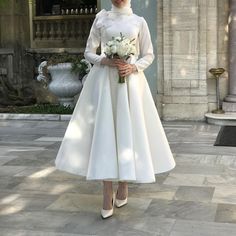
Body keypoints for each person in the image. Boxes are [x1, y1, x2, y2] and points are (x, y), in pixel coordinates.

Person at [55, 0, 176, 219]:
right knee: (105, 132)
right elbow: (88, 52)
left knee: (126, 130)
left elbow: (148, 54)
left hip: (130, 83)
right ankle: (106, 191)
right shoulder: (101, 19)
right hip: (103, 83)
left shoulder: (139, 21)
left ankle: (124, 185)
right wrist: (106, 61)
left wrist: (133, 66)